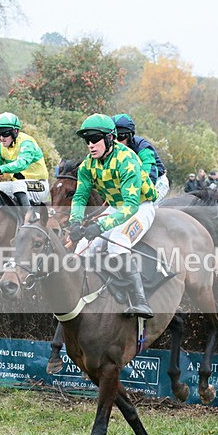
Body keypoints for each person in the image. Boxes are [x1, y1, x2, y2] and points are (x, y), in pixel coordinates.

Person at [69, 113, 157, 318]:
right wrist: (75, 221)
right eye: (87, 140)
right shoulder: (87, 165)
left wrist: (100, 226)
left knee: (117, 241)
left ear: (109, 138)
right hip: (116, 208)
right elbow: (80, 196)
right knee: (81, 248)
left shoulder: (127, 160)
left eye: (95, 139)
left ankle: (140, 301)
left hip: (140, 206)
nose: (90, 145)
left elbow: (131, 205)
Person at [0, 112, 49, 218]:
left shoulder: (27, 142)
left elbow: (21, 164)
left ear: (15, 131)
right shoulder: (1, 147)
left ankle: (32, 220)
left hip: (39, 186)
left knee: (18, 185)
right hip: (18, 186)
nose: (2, 138)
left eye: (5, 133)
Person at [112, 113, 169, 201]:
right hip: (133, 180)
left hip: (156, 182)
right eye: (113, 137)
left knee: (144, 205)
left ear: (130, 136)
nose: (116, 142)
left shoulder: (143, 148)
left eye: (120, 137)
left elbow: (150, 175)